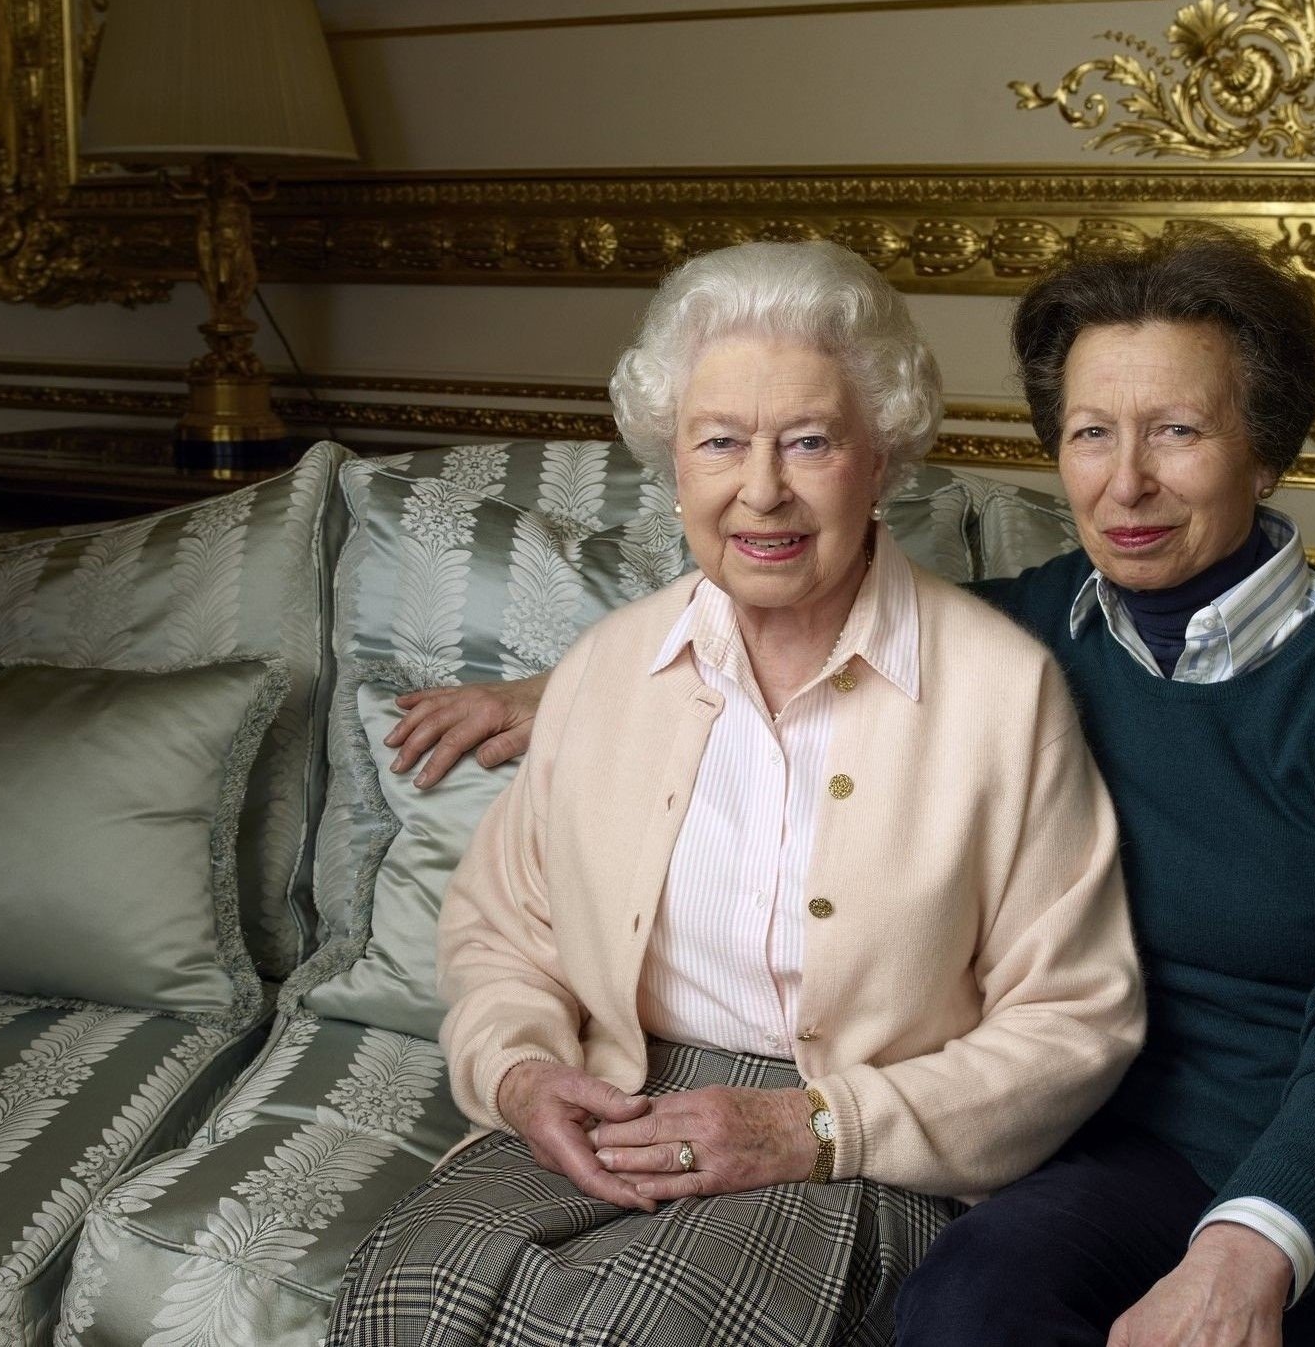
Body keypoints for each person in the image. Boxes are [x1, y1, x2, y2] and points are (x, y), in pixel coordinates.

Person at [382, 232, 1315, 1347]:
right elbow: (810, 615)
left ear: (1269, 445)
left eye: (1179, 431)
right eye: (1091, 433)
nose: (1127, 482)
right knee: (965, 1313)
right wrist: (568, 690)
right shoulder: (1035, 625)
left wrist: (1250, 1248)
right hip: (1140, 1151)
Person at [329, 241, 1145, 1347]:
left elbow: (1076, 1020)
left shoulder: (1003, 691)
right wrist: (522, 1074)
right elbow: (501, 934)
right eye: (721, 443)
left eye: (810, 441)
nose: (763, 490)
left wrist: (815, 1125)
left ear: (883, 460)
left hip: (856, 1140)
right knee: (403, 1308)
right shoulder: (607, 668)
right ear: (675, 462)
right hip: (619, 1087)